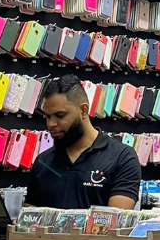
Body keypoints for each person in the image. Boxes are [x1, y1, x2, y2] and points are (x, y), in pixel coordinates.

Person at [26, 76, 142, 209]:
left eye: (60, 115)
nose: (51, 124)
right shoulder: (43, 161)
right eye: (48, 116)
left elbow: (115, 218)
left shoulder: (122, 158)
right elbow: (29, 214)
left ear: (83, 110)